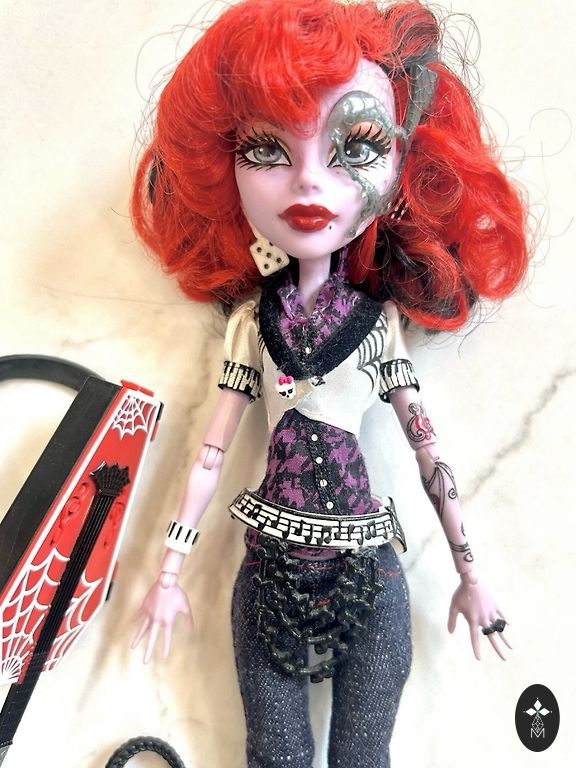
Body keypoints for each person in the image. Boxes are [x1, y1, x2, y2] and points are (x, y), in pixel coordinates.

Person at [131, 1, 527, 765]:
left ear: (408, 168)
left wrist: (470, 574)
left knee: (363, 754)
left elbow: (428, 452)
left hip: (368, 570)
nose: (310, 177)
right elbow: (210, 452)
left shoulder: (378, 327)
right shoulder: (253, 324)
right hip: (269, 567)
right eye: (266, 148)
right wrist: (170, 570)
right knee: (273, 752)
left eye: (359, 144)